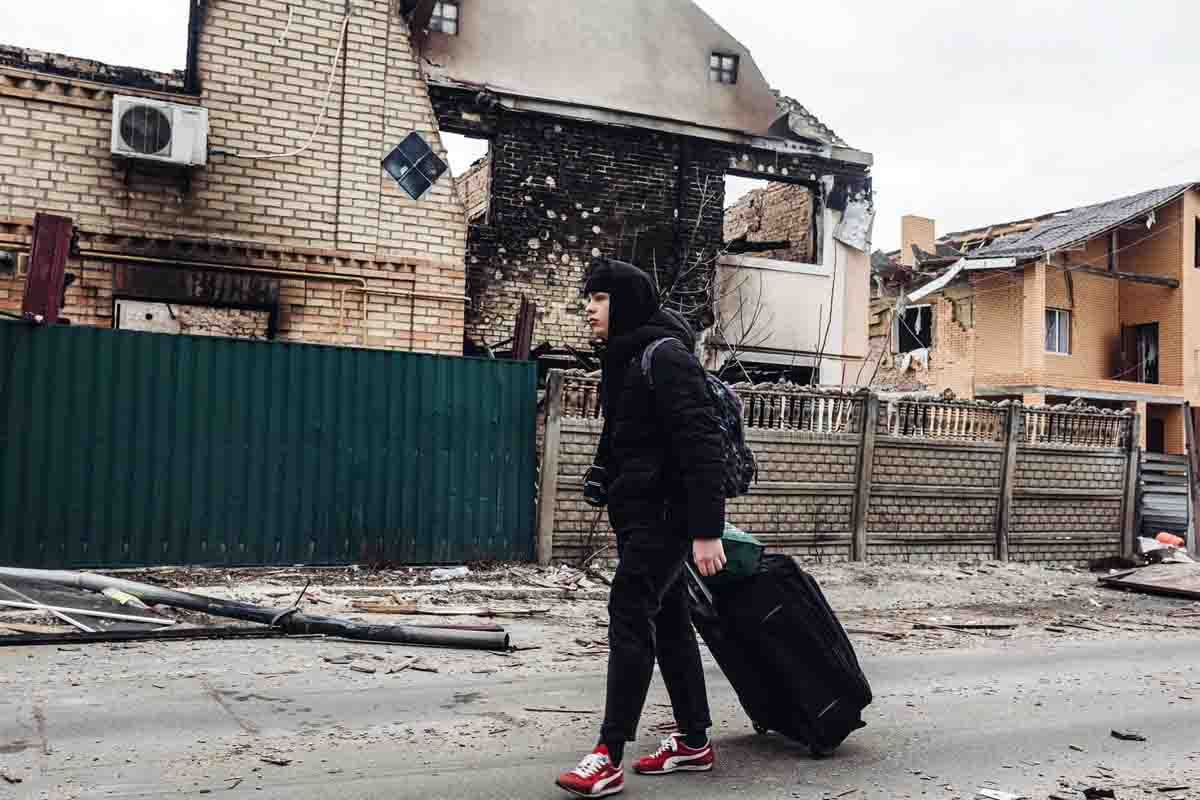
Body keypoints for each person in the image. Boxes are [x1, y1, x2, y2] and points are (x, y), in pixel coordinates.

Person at [556, 259, 728, 798]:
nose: (589, 308)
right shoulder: (625, 359)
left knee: (629, 610)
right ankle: (695, 741)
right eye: (589, 298)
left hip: (667, 516)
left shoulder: (667, 357)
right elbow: (623, 434)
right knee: (670, 619)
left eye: (599, 298)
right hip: (636, 513)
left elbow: (701, 444)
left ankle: (607, 754)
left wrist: (707, 529)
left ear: (624, 302)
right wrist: (602, 474)